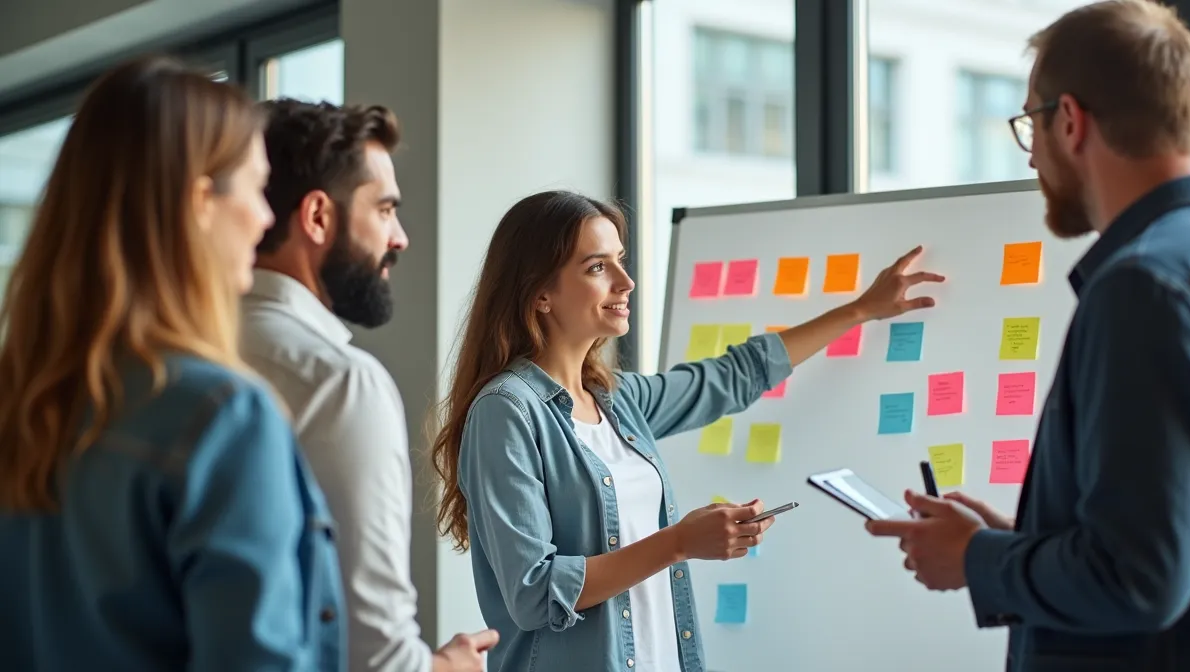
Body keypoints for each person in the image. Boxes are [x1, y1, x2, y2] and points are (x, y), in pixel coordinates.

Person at [864, 2, 1190, 670]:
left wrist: (976, 558)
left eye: (1029, 125)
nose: (1032, 158)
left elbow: (1141, 578)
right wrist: (1024, 544)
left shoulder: (1145, 288)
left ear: (1070, 121)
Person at [429, 190, 943, 672]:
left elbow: (732, 376)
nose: (625, 283)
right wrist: (679, 542)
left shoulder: (618, 400)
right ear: (540, 294)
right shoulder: (506, 411)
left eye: (621, 260)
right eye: (597, 267)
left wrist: (860, 310)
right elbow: (534, 592)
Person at [0, 56, 345, 669]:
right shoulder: (221, 419)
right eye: (256, 189)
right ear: (199, 202)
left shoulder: (19, 401)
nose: (267, 218)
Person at [241, 98, 498, 672]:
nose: (400, 238)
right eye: (384, 209)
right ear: (316, 217)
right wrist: (448, 666)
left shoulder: (178, 351)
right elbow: (376, 654)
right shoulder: (339, 385)